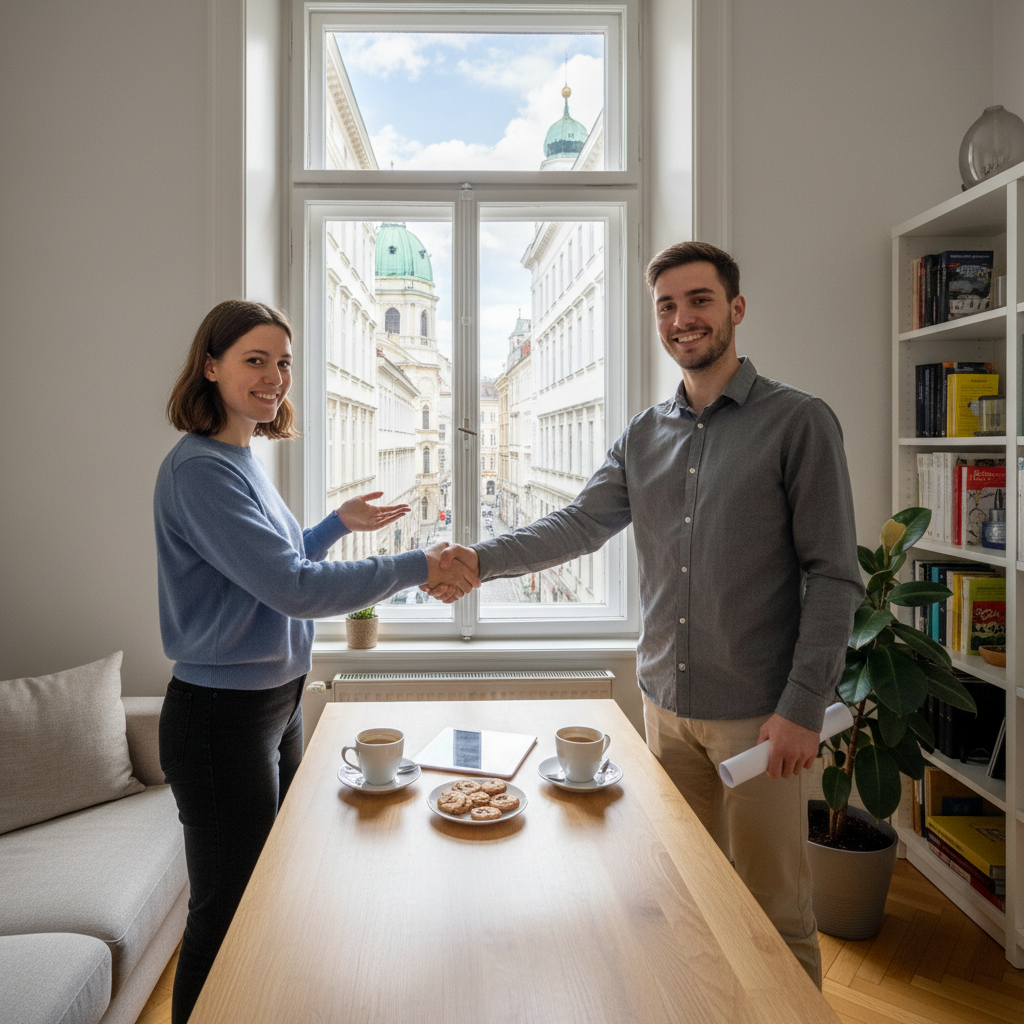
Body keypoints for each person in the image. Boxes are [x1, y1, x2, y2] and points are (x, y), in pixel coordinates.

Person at [426, 242, 862, 987]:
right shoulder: (642, 435)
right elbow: (576, 525)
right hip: (664, 706)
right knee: (679, 899)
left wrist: (801, 707)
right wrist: (479, 559)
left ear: (736, 309)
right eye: (667, 305)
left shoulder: (798, 422)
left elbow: (835, 577)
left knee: (774, 913)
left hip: (758, 717)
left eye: (699, 300)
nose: (682, 318)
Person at [155, 299, 479, 1024]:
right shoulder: (200, 472)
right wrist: (414, 563)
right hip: (220, 720)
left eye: (283, 363)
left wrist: (335, 526)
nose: (274, 378)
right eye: (254, 360)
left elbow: (275, 560)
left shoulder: (239, 457)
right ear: (210, 367)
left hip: (270, 703)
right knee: (225, 913)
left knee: (269, 889)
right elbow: (290, 588)